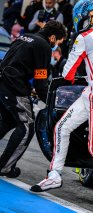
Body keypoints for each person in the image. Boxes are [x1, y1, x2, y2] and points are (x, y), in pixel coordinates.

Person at [30, 0, 93, 192]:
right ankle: (54, 174)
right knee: (62, 128)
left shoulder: (83, 38)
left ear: (83, 17)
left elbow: (68, 74)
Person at [0, 20, 66, 178]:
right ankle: (5, 167)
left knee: (8, 122)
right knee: (27, 126)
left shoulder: (25, 37)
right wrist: (51, 102)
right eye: (58, 42)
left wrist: (30, 89)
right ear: (52, 37)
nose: (56, 46)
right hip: (13, 87)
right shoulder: (43, 46)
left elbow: (14, 63)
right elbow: (41, 81)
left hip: (3, 82)